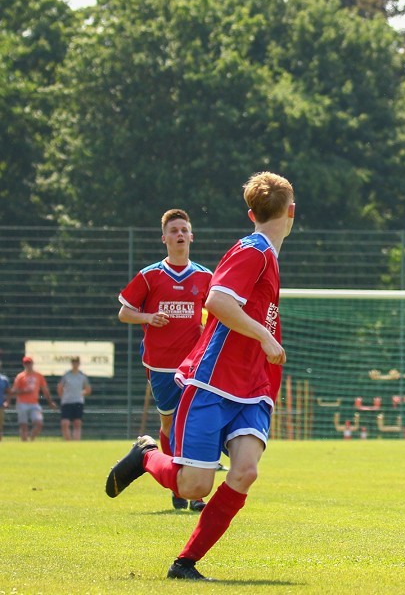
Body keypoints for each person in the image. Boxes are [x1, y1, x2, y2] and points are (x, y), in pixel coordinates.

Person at [105, 171, 295, 581]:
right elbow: (218, 301)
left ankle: (185, 563)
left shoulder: (268, 255)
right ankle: (147, 454)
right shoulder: (254, 250)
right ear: (292, 212)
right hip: (213, 382)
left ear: (251, 213)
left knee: (245, 471)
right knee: (194, 487)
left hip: (252, 387)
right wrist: (266, 337)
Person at [118, 208, 212, 511]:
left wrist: (207, 328)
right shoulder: (150, 275)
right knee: (170, 424)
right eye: (174, 230)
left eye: (184, 230)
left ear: (192, 236)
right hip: (159, 365)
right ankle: (176, 483)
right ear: (164, 238)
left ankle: (194, 493)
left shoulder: (205, 276)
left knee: (192, 424)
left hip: (194, 365)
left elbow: (216, 313)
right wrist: (148, 317)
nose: (180, 234)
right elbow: (124, 312)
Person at [10, 356, 57, 441]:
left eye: (29, 363)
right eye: (26, 363)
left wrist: (50, 402)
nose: (28, 365)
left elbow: (45, 390)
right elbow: (13, 391)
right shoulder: (20, 376)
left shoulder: (38, 375)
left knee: (39, 423)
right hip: (22, 403)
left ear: (32, 364)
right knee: (23, 425)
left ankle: (32, 440)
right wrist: (24, 391)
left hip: (34, 403)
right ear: (24, 364)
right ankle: (24, 443)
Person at [57, 356, 91, 441]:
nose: (75, 364)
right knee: (65, 423)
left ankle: (76, 443)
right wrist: (63, 397)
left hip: (78, 402)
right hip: (67, 402)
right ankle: (68, 442)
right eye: (73, 362)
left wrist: (81, 393)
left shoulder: (82, 376)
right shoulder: (66, 375)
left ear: (79, 363)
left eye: (76, 362)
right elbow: (60, 387)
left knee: (77, 423)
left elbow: (88, 389)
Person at [0, 360, 10, 441]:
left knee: (0, 426)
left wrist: (7, 402)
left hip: (0, 406)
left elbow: (8, 392)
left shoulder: (4, 379)